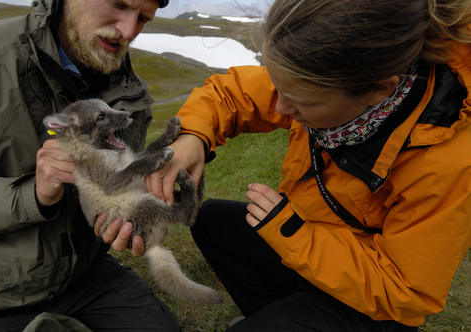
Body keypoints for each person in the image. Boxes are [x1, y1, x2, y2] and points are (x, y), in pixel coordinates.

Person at [145, 0, 471, 331]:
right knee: (211, 221)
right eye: (278, 87)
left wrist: (293, 234)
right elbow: (231, 94)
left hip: (374, 303)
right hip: (307, 245)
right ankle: (277, 315)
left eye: (303, 102)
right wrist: (192, 136)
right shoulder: (320, 74)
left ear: (379, 90)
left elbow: (404, 290)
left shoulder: (447, 162)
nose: (282, 107)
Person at [0, 0, 182, 331]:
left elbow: (114, 192)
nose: (128, 31)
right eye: (119, 3)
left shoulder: (131, 92)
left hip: (85, 276)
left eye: (142, 18)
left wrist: (129, 218)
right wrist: (32, 194)